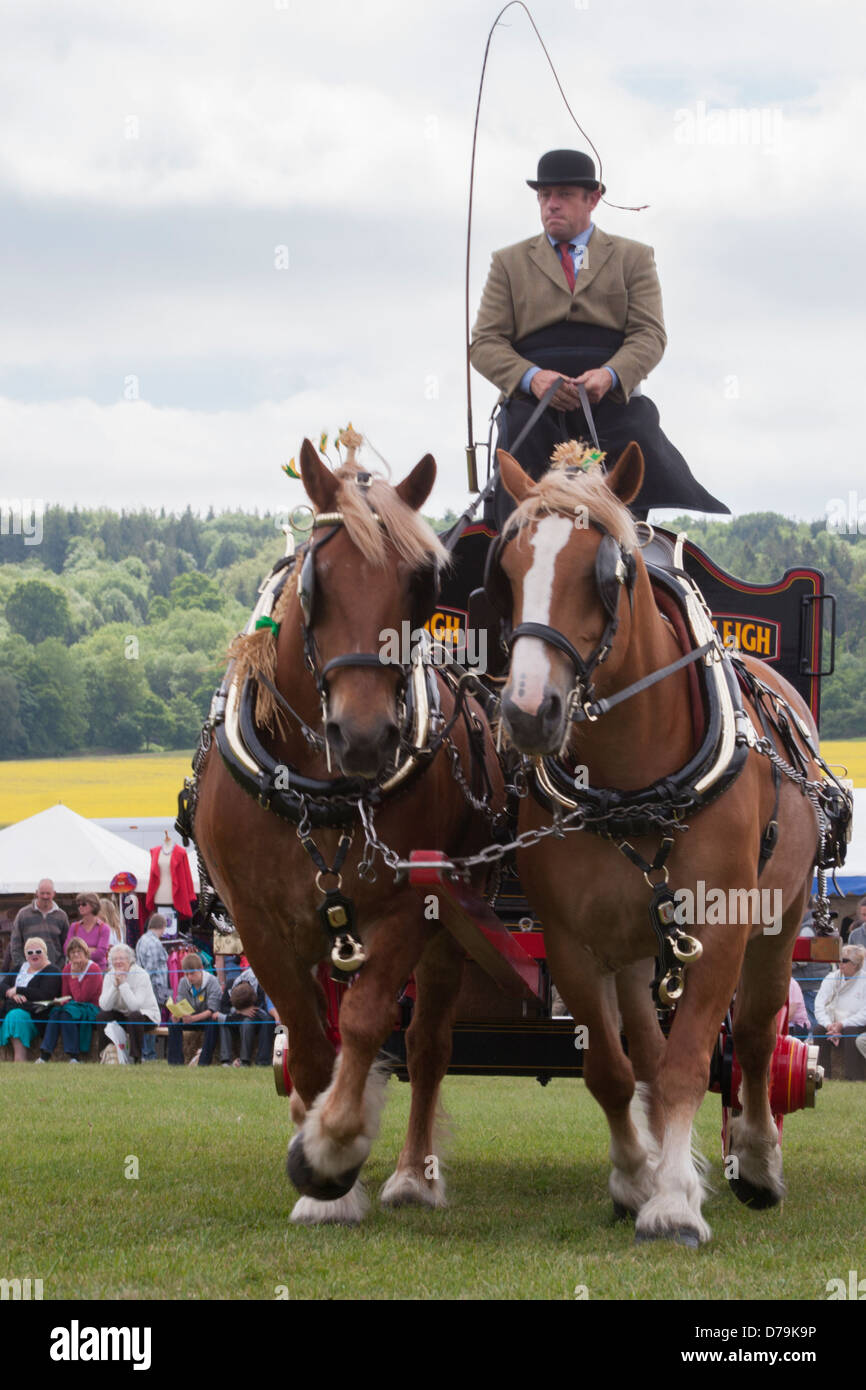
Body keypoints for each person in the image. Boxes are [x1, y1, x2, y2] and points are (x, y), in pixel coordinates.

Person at [470, 148, 730, 529]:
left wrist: (609, 375)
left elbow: (649, 334)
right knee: (517, 452)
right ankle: (514, 547)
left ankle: (631, 550)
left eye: (563, 195)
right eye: (544, 196)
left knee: (637, 442)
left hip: (611, 405)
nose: (551, 205)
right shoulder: (508, 262)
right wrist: (533, 378)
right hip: (534, 409)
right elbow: (485, 342)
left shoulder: (633, 257)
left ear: (593, 199)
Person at [37, 937, 103, 1063]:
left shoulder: (94, 969)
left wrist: (73, 977)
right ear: (69, 955)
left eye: (79, 951)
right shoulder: (67, 968)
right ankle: (45, 1054)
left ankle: (74, 1056)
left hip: (91, 1008)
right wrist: (60, 1001)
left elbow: (82, 998)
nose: (76, 954)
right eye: (73, 952)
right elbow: (66, 995)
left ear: (85, 953)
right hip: (73, 1007)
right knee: (56, 1011)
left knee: (66, 1013)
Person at [0, 937, 63, 1060]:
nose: (34, 954)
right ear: (26, 955)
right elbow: (2, 985)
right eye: (30, 952)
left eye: (38, 951)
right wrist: (11, 993)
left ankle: (20, 1059)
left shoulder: (52, 971)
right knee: (13, 1013)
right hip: (11, 1007)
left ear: (45, 952)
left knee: (15, 1016)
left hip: (36, 1015)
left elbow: (45, 994)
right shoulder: (19, 968)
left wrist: (18, 989)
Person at [98, 943, 160, 1063]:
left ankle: (136, 1057)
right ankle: (107, 1053)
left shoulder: (141, 975)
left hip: (146, 1015)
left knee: (134, 1016)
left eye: (121, 958)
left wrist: (123, 985)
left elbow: (135, 1006)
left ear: (130, 960)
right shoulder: (109, 975)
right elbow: (104, 1006)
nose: (118, 962)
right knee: (102, 1016)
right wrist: (115, 987)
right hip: (122, 1015)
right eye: (115, 959)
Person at [166, 953, 223, 1067]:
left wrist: (193, 1018)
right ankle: (175, 1062)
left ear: (201, 969)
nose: (189, 977)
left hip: (205, 1019)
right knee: (172, 1022)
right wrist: (177, 1015)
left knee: (214, 1022)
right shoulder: (183, 982)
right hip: (189, 1018)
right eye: (186, 974)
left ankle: (203, 1062)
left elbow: (212, 1010)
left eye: (192, 973)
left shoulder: (212, 981)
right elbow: (180, 1002)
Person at [10, 880, 69, 971]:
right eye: (42, 893)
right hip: (29, 971)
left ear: (54, 894)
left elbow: (66, 946)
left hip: (53, 971)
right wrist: (24, 967)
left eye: (48, 893)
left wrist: (58, 968)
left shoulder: (62, 916)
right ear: (37, 893)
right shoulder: (23, 914)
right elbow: (15, 945)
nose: (45, 896)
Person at [814, 945, 866, 1047]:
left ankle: (852, 1064)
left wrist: (842, 1024)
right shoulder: (830, 978)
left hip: (854, 1024)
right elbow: (819, 1005)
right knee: (819, 1030)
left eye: (844, 961)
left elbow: (864, 1014)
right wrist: (828, 1025)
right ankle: (822, 1063)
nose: (840, 963)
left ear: (855, 964)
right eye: (839, 960)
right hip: (832, 1022)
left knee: (850, 1032)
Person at [221, 970, 275, 1067]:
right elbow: (223, 1008)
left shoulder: (260, 987)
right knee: (222, 1021)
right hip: (235, 1014)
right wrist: (240, 1012)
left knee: (247, 1022)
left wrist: (245, 1013)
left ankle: (246, 1060)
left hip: (253, 1016)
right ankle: (225, 1060)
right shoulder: (230, 984)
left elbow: (262, 1009)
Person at [135, 913, 171, 1061]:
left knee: (146, 1019)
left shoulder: (141, 940)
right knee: (152, 1020)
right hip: (153, 988)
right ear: (162, 927)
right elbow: (152, 970)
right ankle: (148, 1053)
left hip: (144, 987)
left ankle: (146, 1052)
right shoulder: (154, 943)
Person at [67, 893, 112, 971]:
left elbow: (100, 953)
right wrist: (91, 949)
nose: (80, 907)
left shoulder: (104, 928)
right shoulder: (74, 927)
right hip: (76, 970)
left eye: (84, 904)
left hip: (97, 971)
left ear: (94, 905)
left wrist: (77, 953)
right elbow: (67, 949)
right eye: (78, 905)